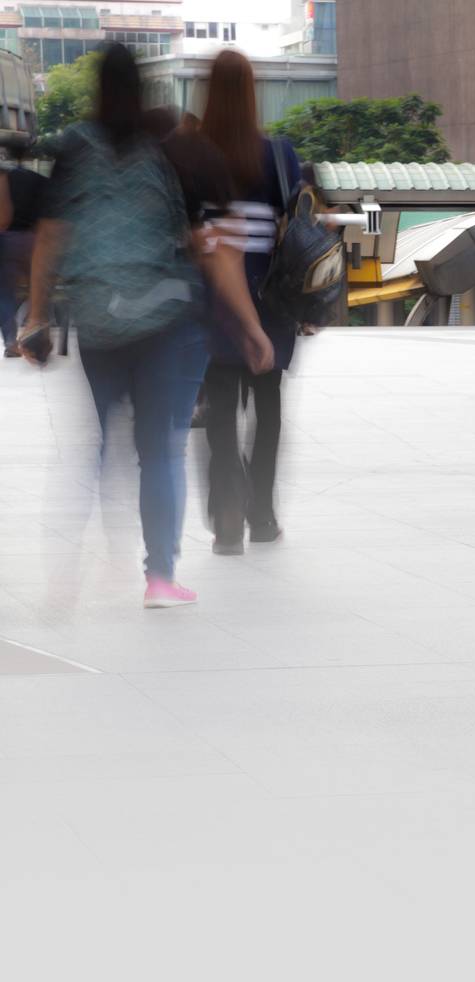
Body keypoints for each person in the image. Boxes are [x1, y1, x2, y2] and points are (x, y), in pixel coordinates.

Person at [24, 43, 272, 608]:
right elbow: (217, 253)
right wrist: (251, 326)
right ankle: (159, 576)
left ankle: (65, 571)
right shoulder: (181, 150)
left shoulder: (73, 149)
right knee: (160, 449)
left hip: (98, 319)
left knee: (95, 446)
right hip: (169, 321)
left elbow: (49, 238)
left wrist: (37, 315)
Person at [198, 50, 303, 553]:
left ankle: (227, 522)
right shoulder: (279, 153)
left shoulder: (192, 154)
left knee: (219, 411)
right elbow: (297, 218)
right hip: (270, 298)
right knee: (268, 409)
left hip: (213, 300)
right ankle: (262, 515)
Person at [0, 150, 47, 358]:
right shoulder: (38, 180)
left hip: (7, 239)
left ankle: (11, 342)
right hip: (36, 240)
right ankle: (37, 336)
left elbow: (3, 215)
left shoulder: (4, 179)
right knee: (37, 289)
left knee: (5, 293)